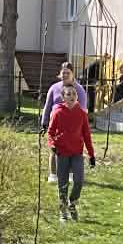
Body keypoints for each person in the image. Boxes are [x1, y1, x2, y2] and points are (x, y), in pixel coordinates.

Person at [44, 82, 95, 224]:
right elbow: (50, 132)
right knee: (63, 184)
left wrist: (91, 155)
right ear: (63, 97)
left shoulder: (82, 114)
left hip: (77, 153)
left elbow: (87, 136)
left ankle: (72, 203)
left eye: (74, 93)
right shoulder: (58, 113)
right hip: (62, 154)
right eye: (68, 94)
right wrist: (52, 145)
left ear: (77, 96)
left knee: (79, 181)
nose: (72, 96)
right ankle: (63, 212)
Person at [39, 60, 83, 133]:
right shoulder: (54, 88)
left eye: (68, 73)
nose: (65, 75)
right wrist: (44, 123)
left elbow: (82, 109)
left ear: (72, 74)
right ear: (60, 74)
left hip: (72, 127)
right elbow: (47, 106)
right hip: (54, 125)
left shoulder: (79, 90)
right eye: (63, 73)